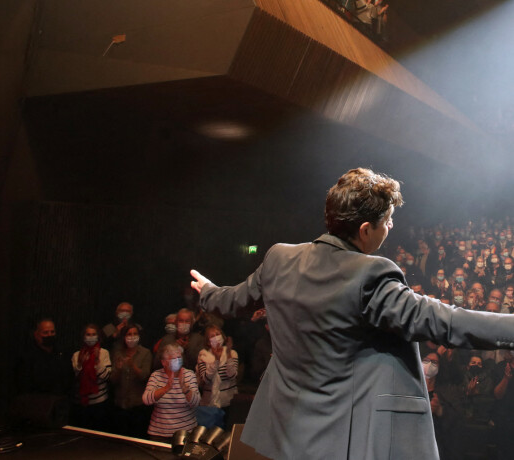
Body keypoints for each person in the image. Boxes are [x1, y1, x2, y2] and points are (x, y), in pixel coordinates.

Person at [190, 167, 514, 460]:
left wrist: (206, 292)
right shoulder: (370, 275)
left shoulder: (279, 258)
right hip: (341, 439)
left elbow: (233, 301)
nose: (390, 226)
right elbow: (446, 322)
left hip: (285, 433)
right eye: (387, 220)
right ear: (364, 230)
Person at [143, 342, 200, 440]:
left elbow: (196, 402)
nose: (177, 361)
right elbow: (146, 400)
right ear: (164, 362)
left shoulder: (189, 374)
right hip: (159, 433)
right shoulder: (156, 376)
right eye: (173, 358)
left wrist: (185, 389)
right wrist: (166, 388)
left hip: (186, 433)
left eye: (179, 357)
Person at [111, 323, 152, 437]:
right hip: (120, 403)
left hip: (137, 404)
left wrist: (133, 366)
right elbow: (113, 381)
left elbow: (145, 377)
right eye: (129, 334)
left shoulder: (145, 353)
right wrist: (118, 369)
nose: (132, 336)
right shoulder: (118, 353)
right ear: (124, 337)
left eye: (135, 334)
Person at [71, 324, 111, 430]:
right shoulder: (77, 355)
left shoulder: (104, 353)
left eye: (93, 334)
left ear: (98, 336)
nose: (91, 337)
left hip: (99, 401)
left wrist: (97, 361)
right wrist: (80, 364)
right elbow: (74, 378)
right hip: (81, 402)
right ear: (83, 337)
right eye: (88, 334)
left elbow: (106, 376)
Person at [196, 325, 238, 420]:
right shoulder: (203, 355)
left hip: (228, 402)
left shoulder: (232, 353)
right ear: (208, 341)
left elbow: (232, 375)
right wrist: (217, 359)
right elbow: (206, 379)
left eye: (218, 334)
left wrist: (228, 354)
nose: (216, 337)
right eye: (212, 336)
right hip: (209, 404)